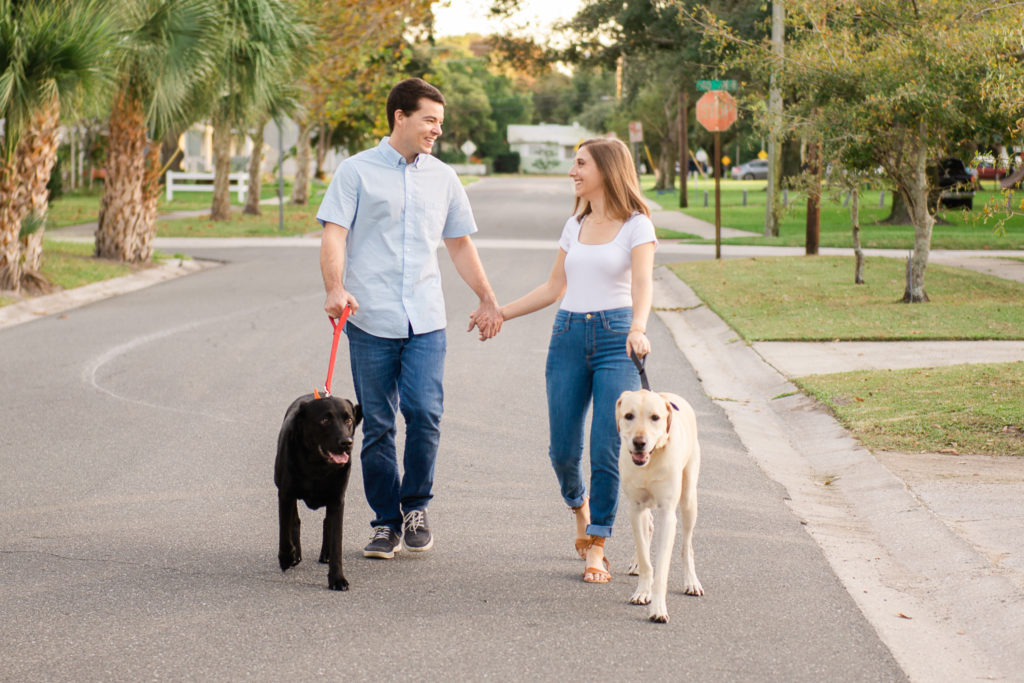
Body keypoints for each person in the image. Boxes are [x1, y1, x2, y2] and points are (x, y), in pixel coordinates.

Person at [317, 78, 502, 560]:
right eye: (429, 120)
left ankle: (415, 505)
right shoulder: (355, 172)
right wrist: (335, 287)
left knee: (424, 413)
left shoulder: (443, 177)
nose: (437, 130)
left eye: (441, 122)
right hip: (369, 319)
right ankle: (384, 522)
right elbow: (335, 234)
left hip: (426, 319)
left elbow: (459, 243)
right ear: (400, 116)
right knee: (376, 425)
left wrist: (486, 296)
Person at [493, 137, 656, 583]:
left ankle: (598, 542)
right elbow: (552, 288)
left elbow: (643, 283)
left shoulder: (637, 225)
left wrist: (637, 327)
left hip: (616, 338)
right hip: (567, 335)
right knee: (563, 451)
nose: (573, 172)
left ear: (606, 168)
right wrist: (500, 312)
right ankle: (579, 507)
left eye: (581, 164)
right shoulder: (575, 224)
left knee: (605, 445)